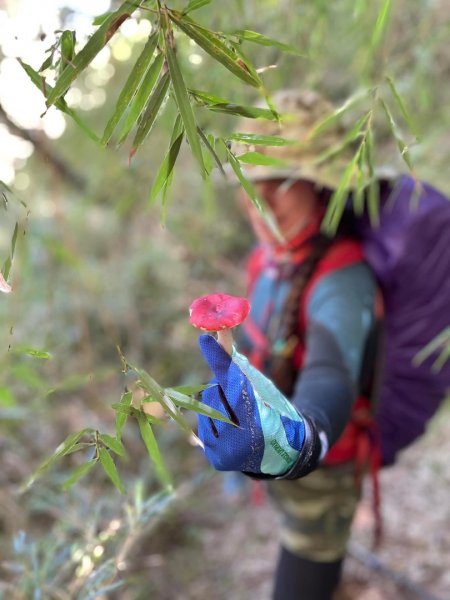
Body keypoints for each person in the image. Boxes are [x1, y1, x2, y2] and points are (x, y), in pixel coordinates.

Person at [196, 90, 382, 600]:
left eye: (282, 182)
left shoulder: (342, 278)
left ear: (320, 188)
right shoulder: (269, 256)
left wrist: (305, 439)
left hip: (322, 471)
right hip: (274, 450)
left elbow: (331, 369)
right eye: (253, 185)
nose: (263, 202)